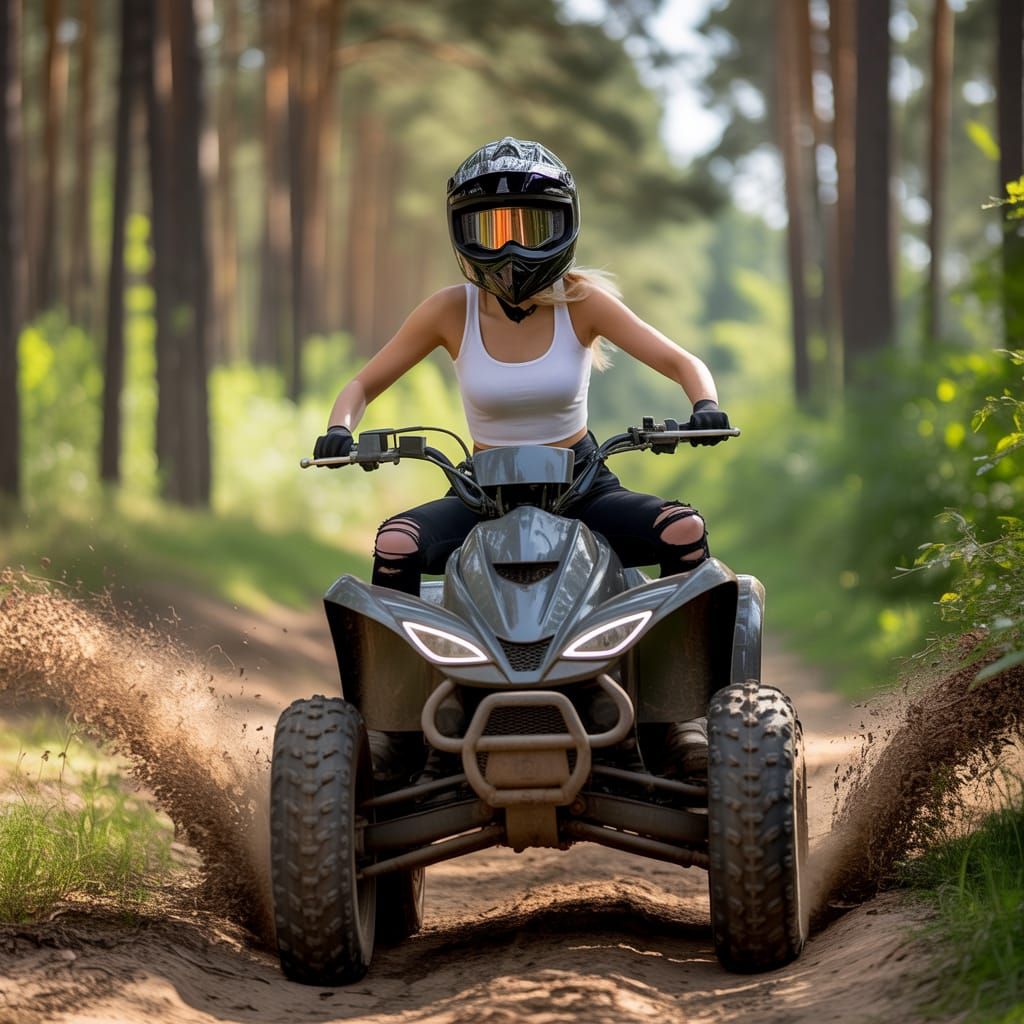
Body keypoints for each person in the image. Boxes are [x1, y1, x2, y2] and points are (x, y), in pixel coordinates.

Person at [314, 136, 731, 777]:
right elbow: (361, 384)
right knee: (395, 544)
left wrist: (704, 403)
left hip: (581, 487)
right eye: (491, 228)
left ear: (564, 225)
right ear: (461, 234)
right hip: (481, 494)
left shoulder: (583, 301)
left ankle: (680, 721)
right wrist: (341, 426)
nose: (511, 248)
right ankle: (392, 730)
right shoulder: (450, 310)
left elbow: (682, 361)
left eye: (531, 225)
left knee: (684, 531)